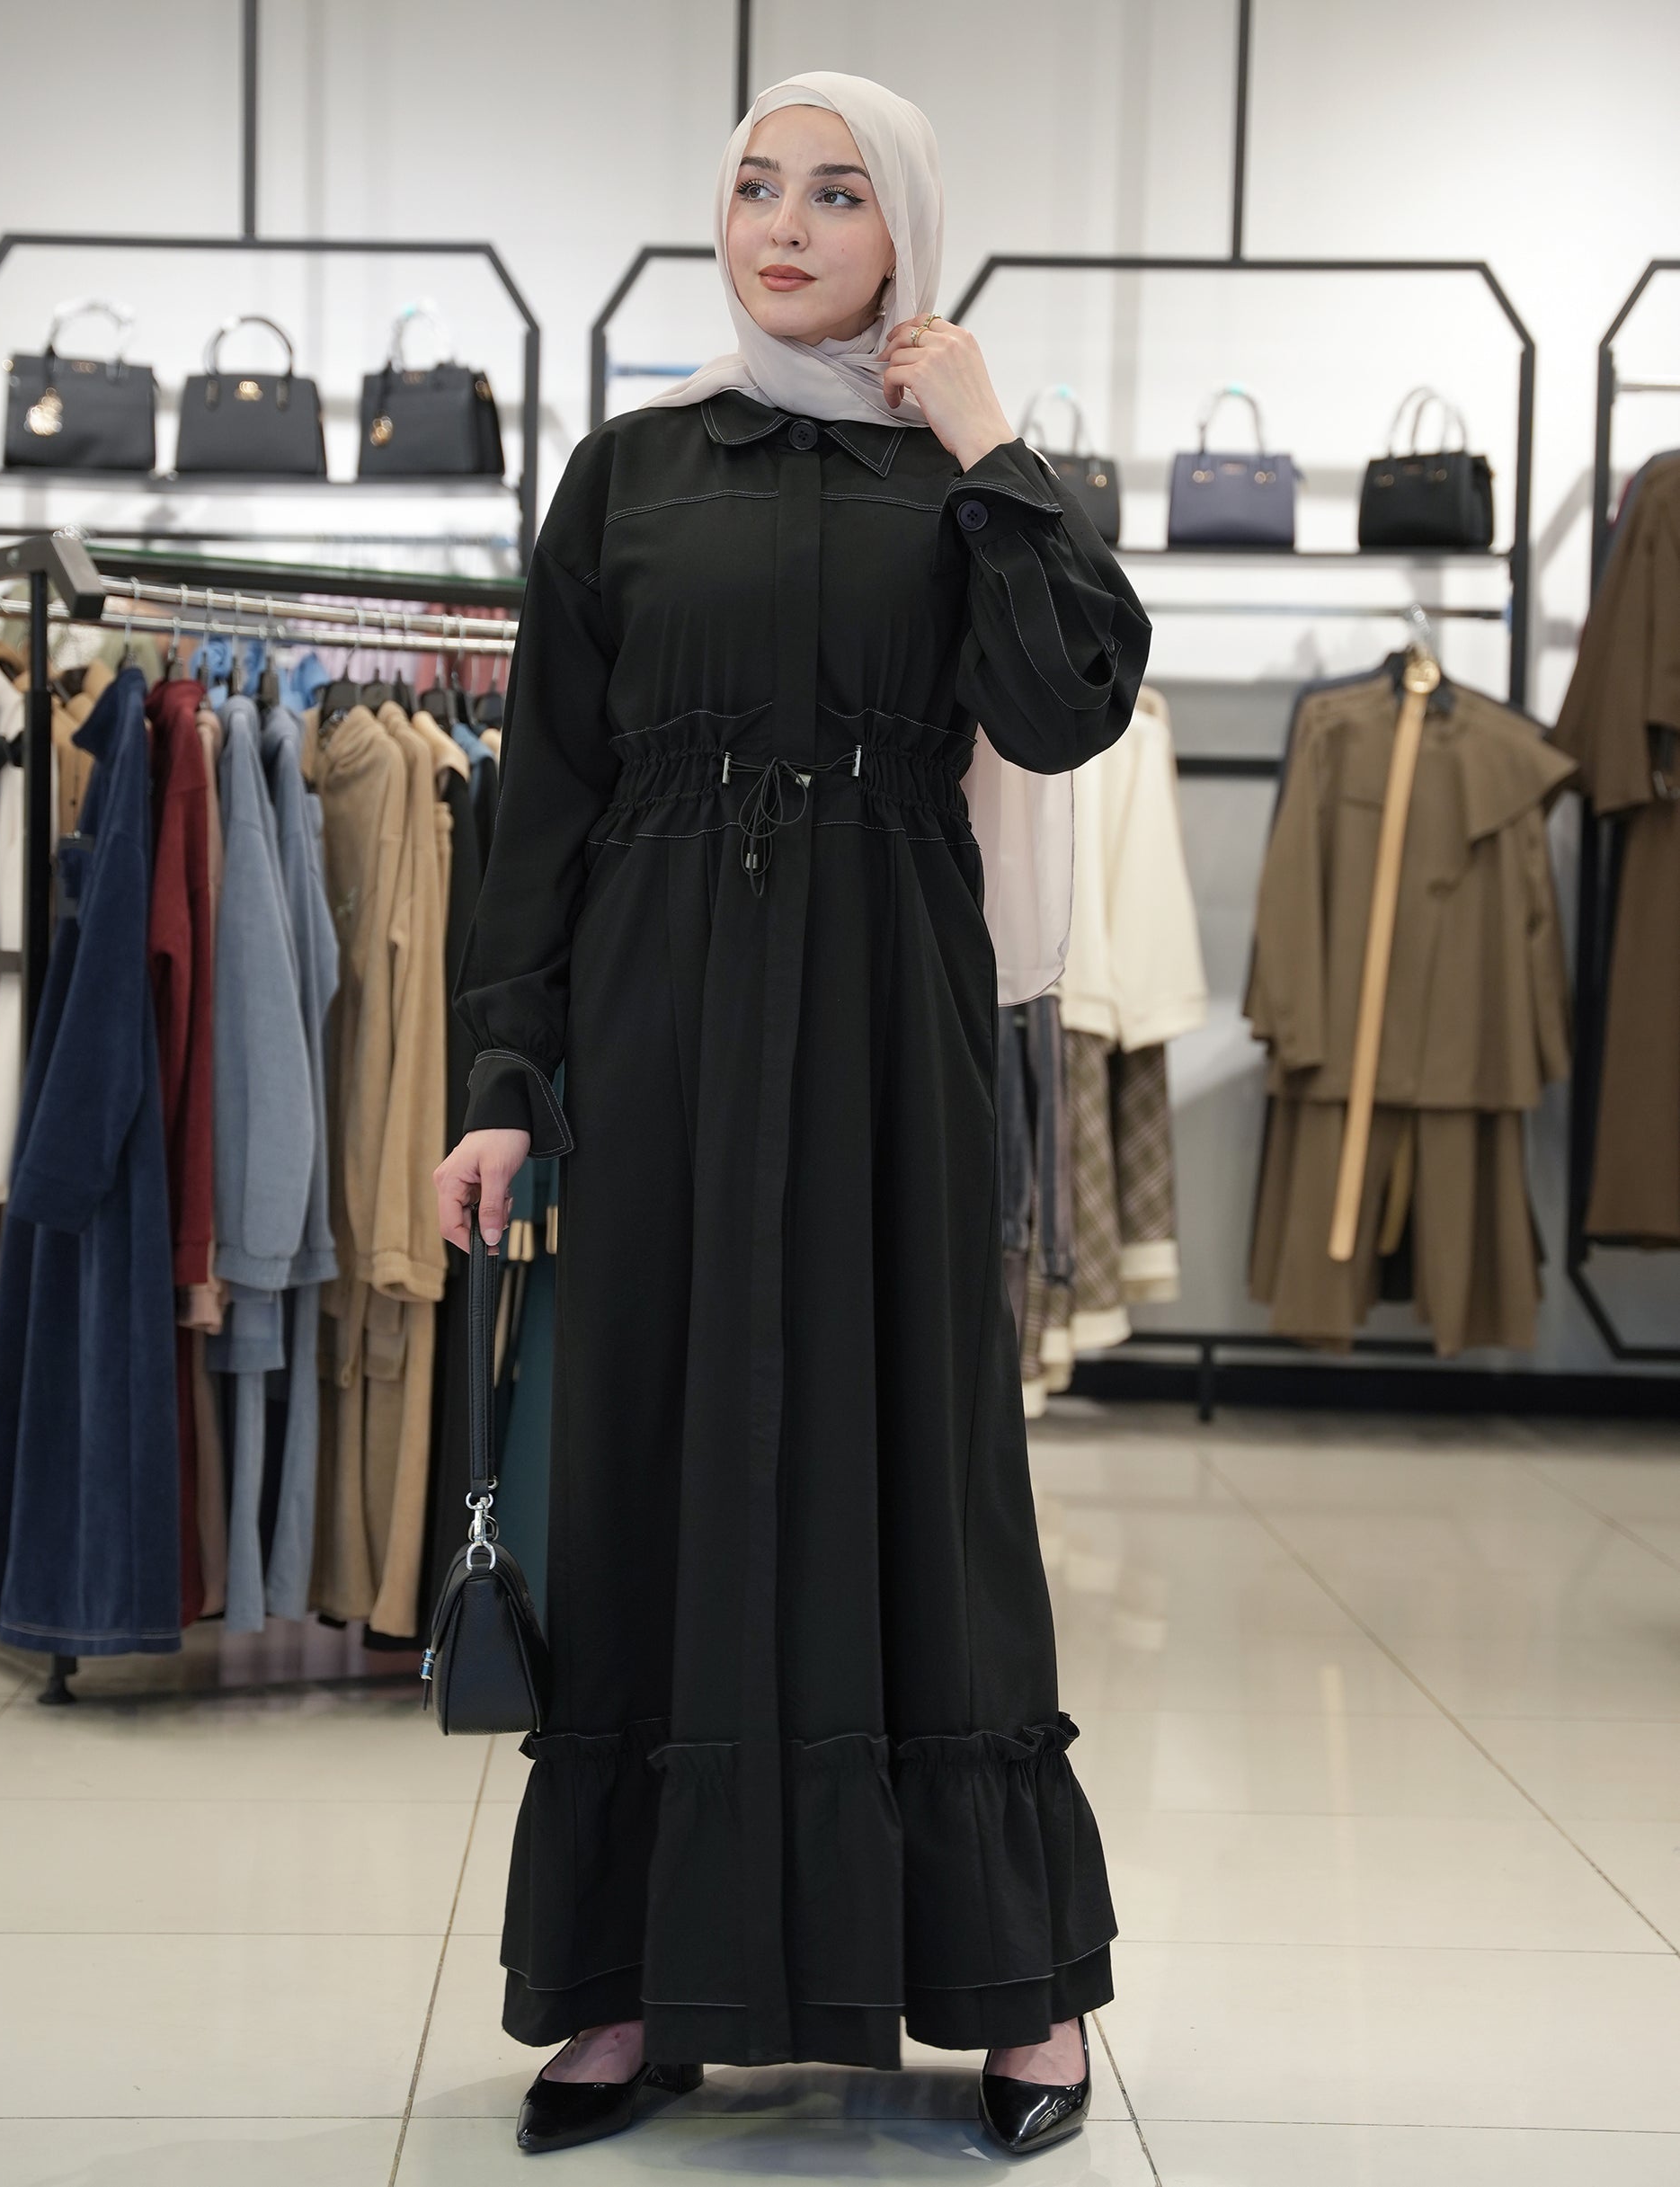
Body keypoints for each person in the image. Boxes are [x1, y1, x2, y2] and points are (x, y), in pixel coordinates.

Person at [431, 68, 1151, 2161]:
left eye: (837, 193)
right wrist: (504, 1077)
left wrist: (992, 445)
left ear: (904, 231)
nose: (783, 223)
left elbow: (1069, 702)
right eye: (756, 185)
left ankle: (1013, 1987)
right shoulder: (631, 469)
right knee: (651, 1453)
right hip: (660, 1020)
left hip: (883, 1020)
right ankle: (633, 1979)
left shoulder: (961, 479)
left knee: (919, 1456)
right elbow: (546, 801)